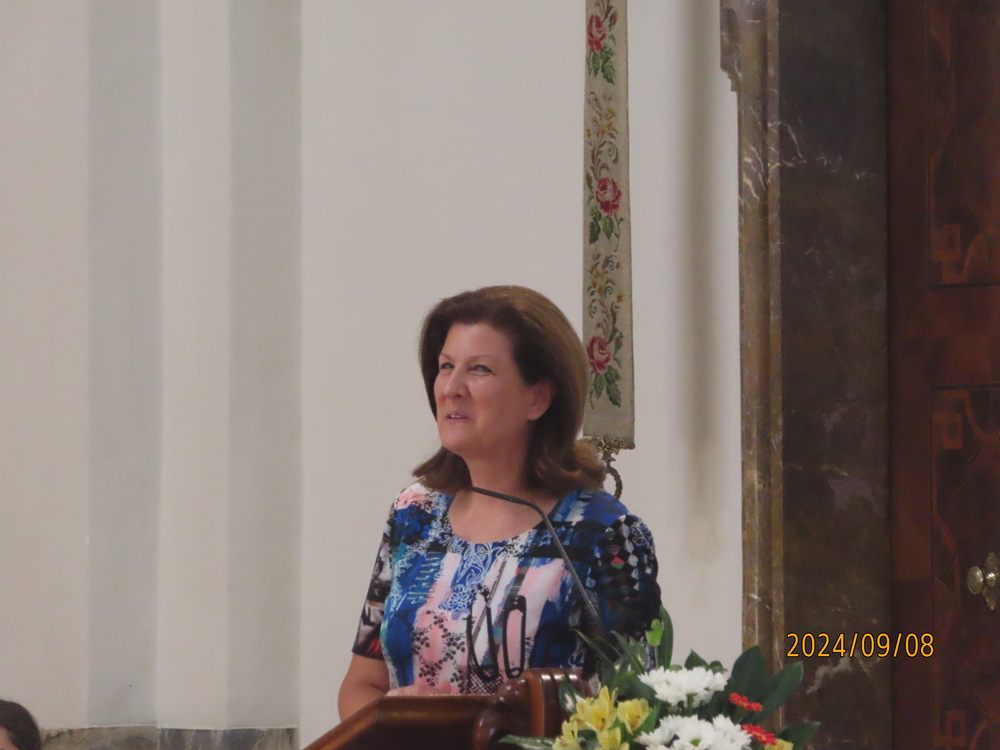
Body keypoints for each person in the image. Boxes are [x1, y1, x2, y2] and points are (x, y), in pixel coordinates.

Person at [338, 285, 660, 719]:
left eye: (480, 369)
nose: (451, 388)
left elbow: (634, 712)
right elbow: (361, 685)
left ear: (538, 397)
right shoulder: (414, 513)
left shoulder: (601, 532)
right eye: (445, 366)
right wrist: (395, 720)